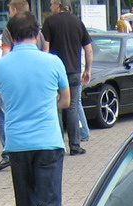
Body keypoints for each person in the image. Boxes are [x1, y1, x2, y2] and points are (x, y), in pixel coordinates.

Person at [0, 11, 69, 206]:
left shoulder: (0, 66)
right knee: (49, 205)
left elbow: (4, 98)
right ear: (37, 34)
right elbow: (66, 101)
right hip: (48, 141)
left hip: (17, 143)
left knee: (26, 205)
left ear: (10, 36)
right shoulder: (53, 61)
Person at [0, 0, 48, 172]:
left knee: (6, 114)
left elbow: (5, 53)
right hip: (37, 79)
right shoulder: (37, 31)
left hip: (16, 79)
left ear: (15, 10)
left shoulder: (9, 30)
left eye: (9, 10)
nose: (9, 14)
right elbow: (45, 51)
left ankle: (8, 154)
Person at [43, 0, 93, 156]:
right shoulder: (77, 22)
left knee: (57, 107)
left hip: (56, 72)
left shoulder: (50, 22)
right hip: (74, 72)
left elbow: (45, 49)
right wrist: (87, 70)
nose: (50, 7)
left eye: (51, 4)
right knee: (73, 108)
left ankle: (58, 145)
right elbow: (89, 49)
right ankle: (75, 146)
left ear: (59, 5)